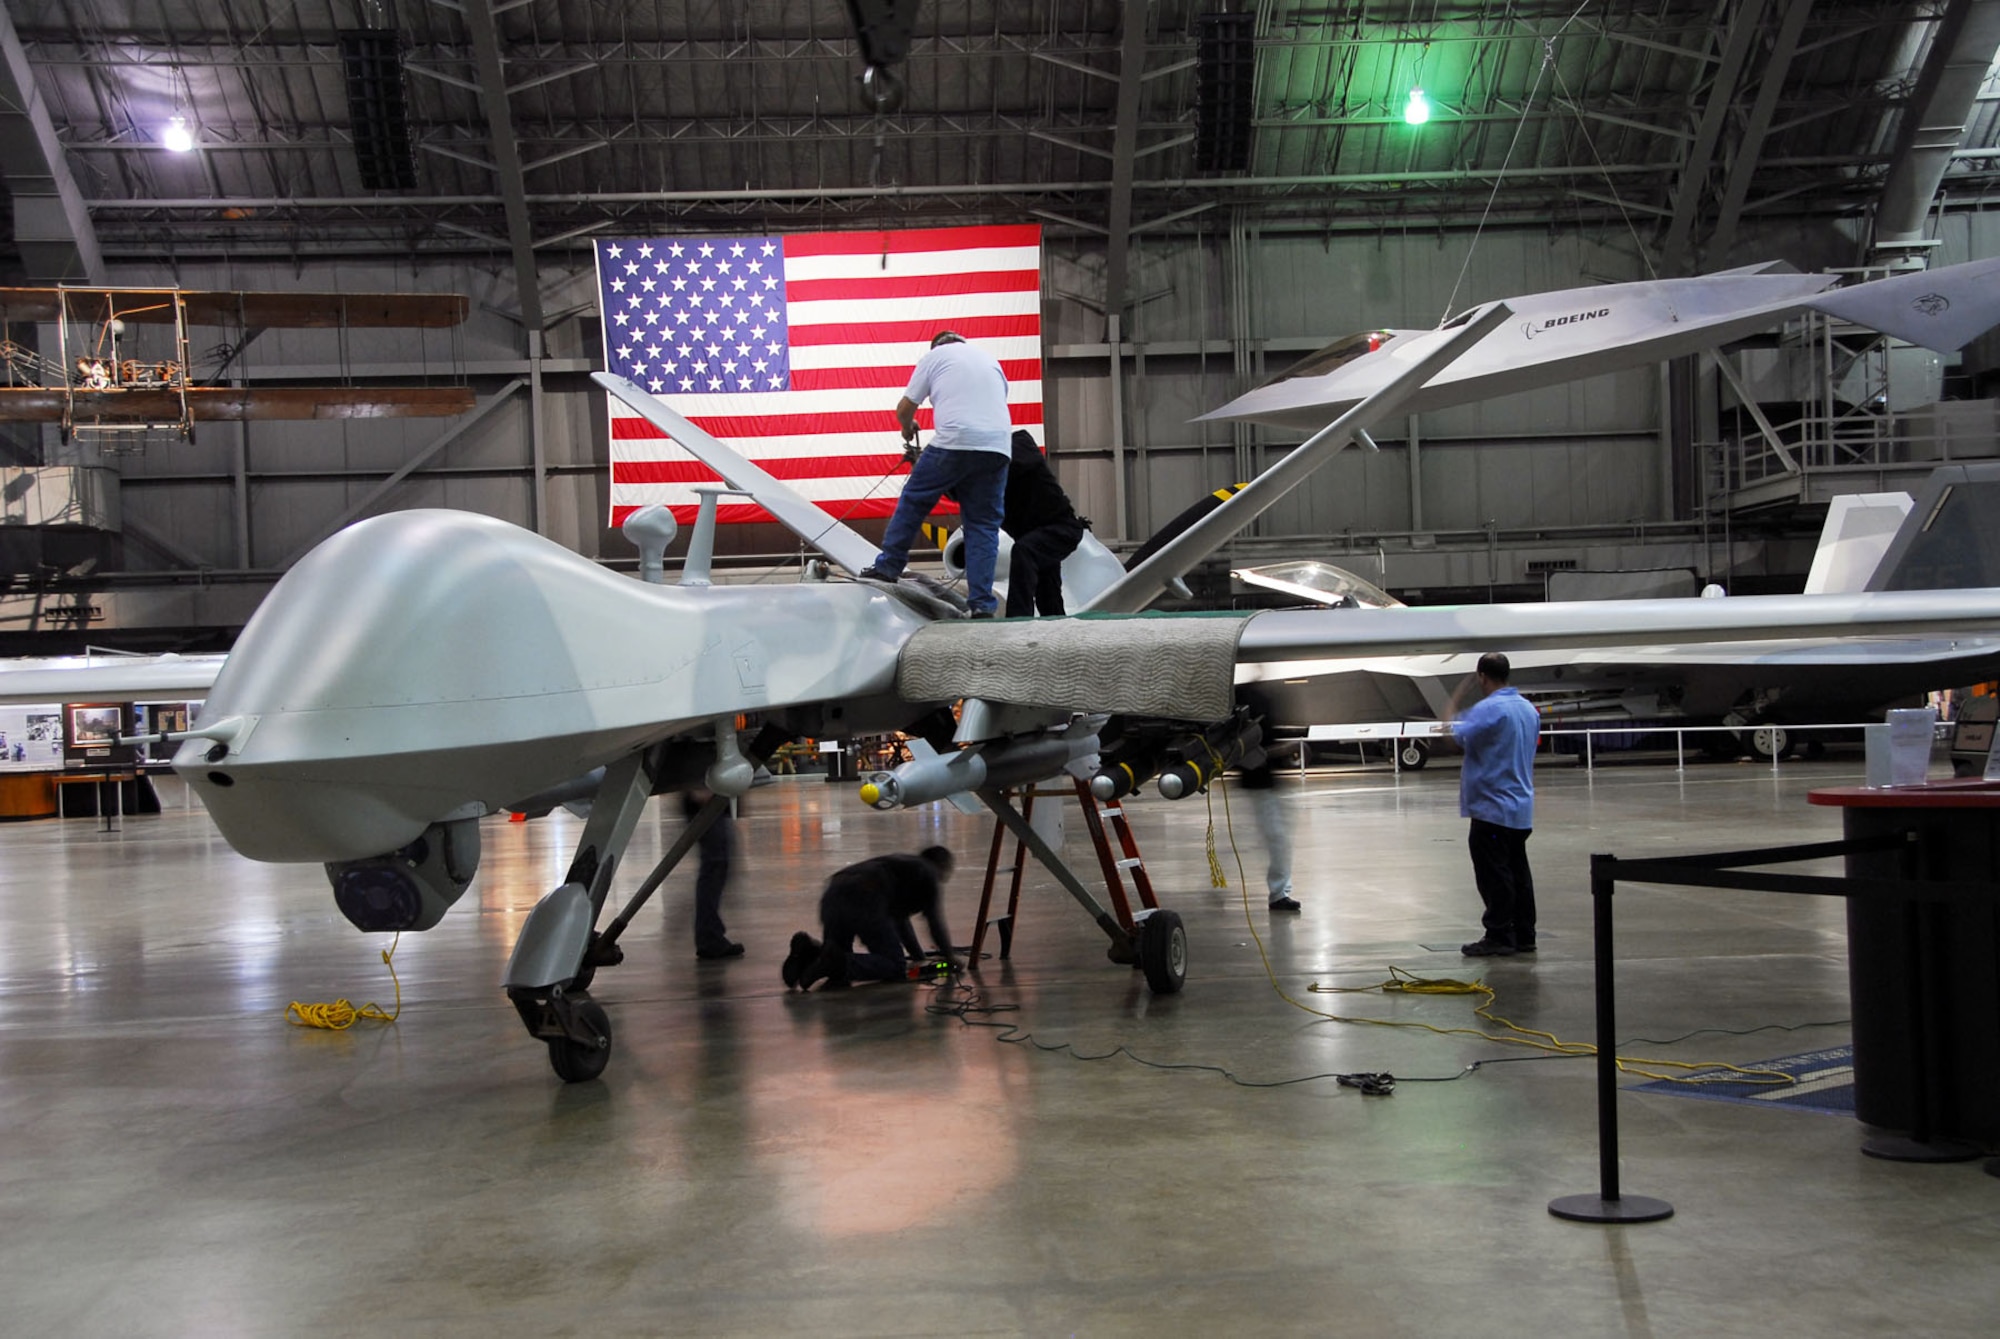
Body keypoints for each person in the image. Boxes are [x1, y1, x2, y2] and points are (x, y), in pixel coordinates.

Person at [858, 331, 1012, 617]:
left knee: (914, 500)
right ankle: (981, 604)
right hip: (998, 446)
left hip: (955, 439)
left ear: (937, 346)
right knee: (983, 525)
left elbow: (904, 409)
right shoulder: (990, 361)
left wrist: (908, 427)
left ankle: (888, 566)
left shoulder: (934, 357)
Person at [1445, 652, 1539, 957]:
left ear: (1482, 677)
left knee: (1494, 875)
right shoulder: (1528, 709)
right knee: (1518, 873)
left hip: (1492, 809)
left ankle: (1498, 934)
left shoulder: (1489, 709)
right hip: (1520, 808)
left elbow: (1453, 733)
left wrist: (1457, 694)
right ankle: (1525, 934)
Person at [782, 846, 959, 990]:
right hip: (865, 896)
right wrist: (950, 958)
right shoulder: (928, 873)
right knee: (894, 967)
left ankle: (808, 953)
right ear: (941, 864)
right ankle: (833, 960)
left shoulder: (903, 866)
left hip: (834, 892)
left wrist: (918, 956)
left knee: (838, 962)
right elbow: (934, 922)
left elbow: (901, 920)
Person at [999, 429, 1086, 617]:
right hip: (1037, 534)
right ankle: (1056, 624)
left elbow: (1022, 462)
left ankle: (1018, 620)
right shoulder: (982, 480)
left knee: (1024, 552)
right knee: (1048, 590)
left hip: (1061, 528)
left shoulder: (1020, 444)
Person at [1236, 686, 1299, 912]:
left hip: (1264, 783)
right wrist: (1285, 749)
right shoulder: (1252, 699)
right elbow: (1250, 750)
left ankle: (1280, 892)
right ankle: (1278, 894)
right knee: (1277, 839)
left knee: (1273, 838)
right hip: (1259, 784)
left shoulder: (1257, 697)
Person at [683, 790, 743, 960]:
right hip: (708, 805)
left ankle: (710, 935)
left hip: (715, 803)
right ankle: (709, 938)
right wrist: (699, 789)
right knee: (714, 868)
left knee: (717, 867)